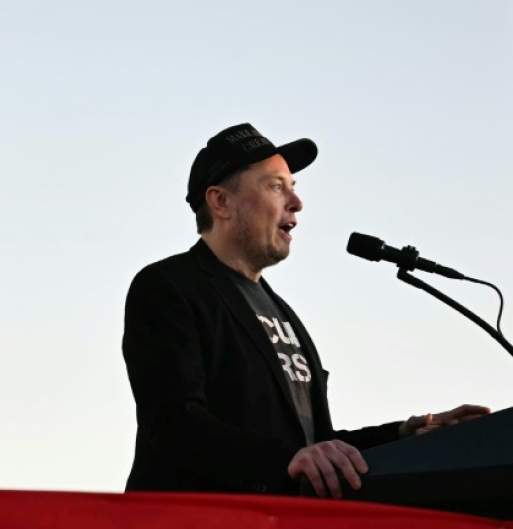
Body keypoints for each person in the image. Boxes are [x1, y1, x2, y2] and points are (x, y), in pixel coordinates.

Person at [121, 122, 488, 499]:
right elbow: (174, 424)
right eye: (276, 186)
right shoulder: (169, 287)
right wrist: (283, 462)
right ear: (221, 202)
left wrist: (407, 435)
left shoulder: (281, 311)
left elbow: (316, 445)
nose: (296, 203)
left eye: (293, 188)